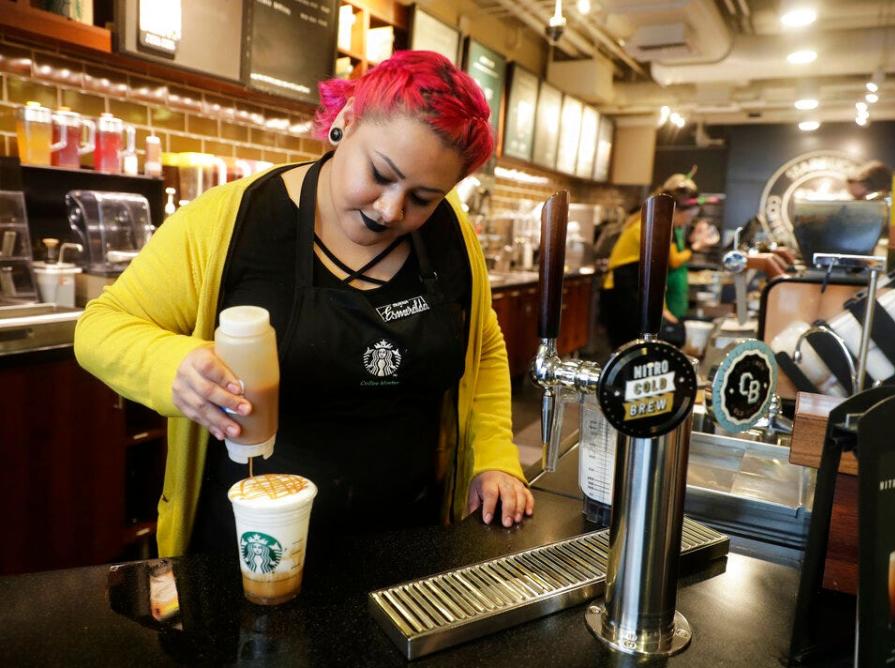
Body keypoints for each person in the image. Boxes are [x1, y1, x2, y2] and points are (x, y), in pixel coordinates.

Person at [74, 51, 533, 557]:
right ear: (346, 121)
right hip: (249, 549)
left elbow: (483, 346)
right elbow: (101, 327)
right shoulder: (231, 222)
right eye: (380, 174)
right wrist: (173, 365)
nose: (390, 209)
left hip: (409, 542)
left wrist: (494, 457)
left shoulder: (453, 237)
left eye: (423, 198)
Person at [600, 172, 701, 348]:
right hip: (620, 289)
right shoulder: (653, 227)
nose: (686, 223)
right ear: (675, 211)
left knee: (633, 349)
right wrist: (662, 309)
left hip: (627, 286)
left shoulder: (651, 221)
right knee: (626, 350)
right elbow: (658, 272)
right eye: (688, 217)